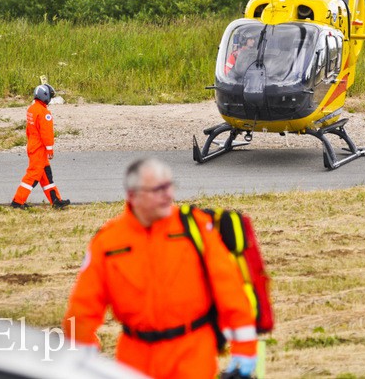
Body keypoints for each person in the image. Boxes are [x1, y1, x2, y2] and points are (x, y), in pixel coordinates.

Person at [62, 158, 258, 379]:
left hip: (192, 354)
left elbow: (230, 289)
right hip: (134, 359)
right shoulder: (108, 242)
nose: (168, 195)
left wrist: (245, 349)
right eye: (157, 189)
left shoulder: (196, 227)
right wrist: (82, 357)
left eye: (170, 185)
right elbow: (83, 306)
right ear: (132, 196)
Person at [10, 83, 71, 209]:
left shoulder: (31, 109)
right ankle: (17, 201)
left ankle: (56, 201)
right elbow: (47, 132)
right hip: (40, 149)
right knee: (33, 175)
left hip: (33, 145)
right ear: (45, 96)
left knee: (46, 177)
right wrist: (49, 148)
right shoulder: (44, 113)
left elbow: (29, 130)